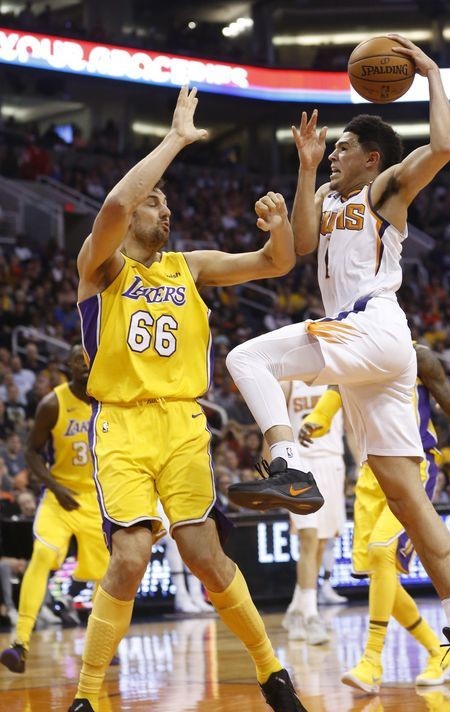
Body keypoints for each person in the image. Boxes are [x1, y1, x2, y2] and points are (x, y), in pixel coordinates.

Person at [225, 35, 450, 705]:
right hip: (371, 356)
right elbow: (292, 251)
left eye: (342, 147)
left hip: (372, 323)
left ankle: (286, 465)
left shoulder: (382, 190)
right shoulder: (324, 199)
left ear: (370, 156)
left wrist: (432, 71)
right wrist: (302, 170)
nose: (335, 154)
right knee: (403, 493)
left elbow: (442, 148)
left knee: (245, 357)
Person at [68, 86, 306, 712]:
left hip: (181, 424)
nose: (163, 211)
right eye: (156, 202)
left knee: (204, 555)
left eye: (169, 205)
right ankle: (87, 696)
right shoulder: (101, 267)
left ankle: (272, 673)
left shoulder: (189, 266)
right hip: (120, 425)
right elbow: (118, 201)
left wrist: (281, 228)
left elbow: (275, 265)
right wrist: (175, 140)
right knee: (130, 557)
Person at [299, 344, 450, 692]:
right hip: (370, 473)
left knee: (383, 553)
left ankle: (371, 661)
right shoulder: (355, 355)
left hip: (414, 466)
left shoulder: (418, 356)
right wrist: (317, 419)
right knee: (381, 576)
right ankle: (435, 651)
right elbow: (336, 389)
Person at [0, 345, 110, 674]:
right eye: (78, 360)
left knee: (108, 578)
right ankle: (19, 643)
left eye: (90, 359)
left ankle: (104, 645)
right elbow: (32, 452)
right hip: (59, 497)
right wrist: (55, 485)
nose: (85, 365)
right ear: (67, 366)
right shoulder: (53, 403)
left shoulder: (112, 400)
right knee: (42, 557)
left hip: (98, 500)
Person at [279, 381, 346, 646]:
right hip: (300, 466)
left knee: (320, 543)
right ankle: (310, 615)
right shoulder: (289, 383)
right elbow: (273, 429)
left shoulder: (338, 379)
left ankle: (297, 610)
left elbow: (351, 429)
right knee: (309, 539)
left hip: (333, 463)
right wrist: (273, 473)